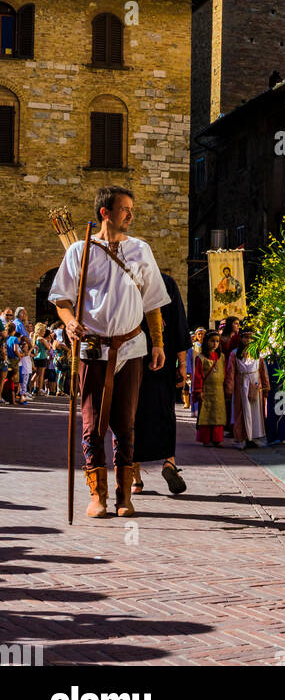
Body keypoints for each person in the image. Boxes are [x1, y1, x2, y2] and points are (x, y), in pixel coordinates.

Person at [49, 186, 169, 520]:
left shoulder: (140, 250)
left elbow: (153, 303)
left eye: (131, 208)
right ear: (106, 212)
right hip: (92, 348)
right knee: (91, 425)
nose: (130, 214)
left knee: (126, 424)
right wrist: (71, 323)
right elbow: (61, 299)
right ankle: (97, 495)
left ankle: (124, 495)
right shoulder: (79, 250)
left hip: (130, 347)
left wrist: (157, 343)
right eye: (124, 209)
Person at [131, 272, 192, 497]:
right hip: (162, 359)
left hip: (132, 359)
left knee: (131, 416)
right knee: (164, 412)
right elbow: (179, 324)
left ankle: (135, 477)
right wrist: (182, 364)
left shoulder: (127, 280)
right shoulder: (166, 283)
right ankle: (169, 463)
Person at [225, 328, 269, 449]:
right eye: (246, 337)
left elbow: (262, 370)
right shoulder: (234, 353)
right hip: (241, 385)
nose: (248, 340)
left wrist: (265, 387)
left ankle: (256, 437)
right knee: (241, 412)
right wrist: (229, 388)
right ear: (241, 338)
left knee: (257, 412)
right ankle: (241, 438)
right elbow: (231, 372)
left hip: (255, 384)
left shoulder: (259, 353)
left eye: (251, 337)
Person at [192, 330, 227, 445]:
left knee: (218, 415)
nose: (215, 344)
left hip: (219, 392)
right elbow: (198, 376)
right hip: (206, 391)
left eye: (217, 341)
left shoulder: (222, 357)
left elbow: (225, 373)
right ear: (206, 342)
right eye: (212, 341)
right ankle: (206, 439)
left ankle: (217, 439)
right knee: (206, 415)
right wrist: (198, 390)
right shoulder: (201, 358)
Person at [31, 324, 50, 396]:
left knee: (36, 374)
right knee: (41, 375)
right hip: (42, 357)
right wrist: (47, 341)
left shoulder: (35, 338)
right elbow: (48, 347)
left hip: (37, 357)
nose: (44, 332)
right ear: (40, 331)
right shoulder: (41, 339)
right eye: (43, 331)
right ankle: (39, 390)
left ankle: (32, 388)